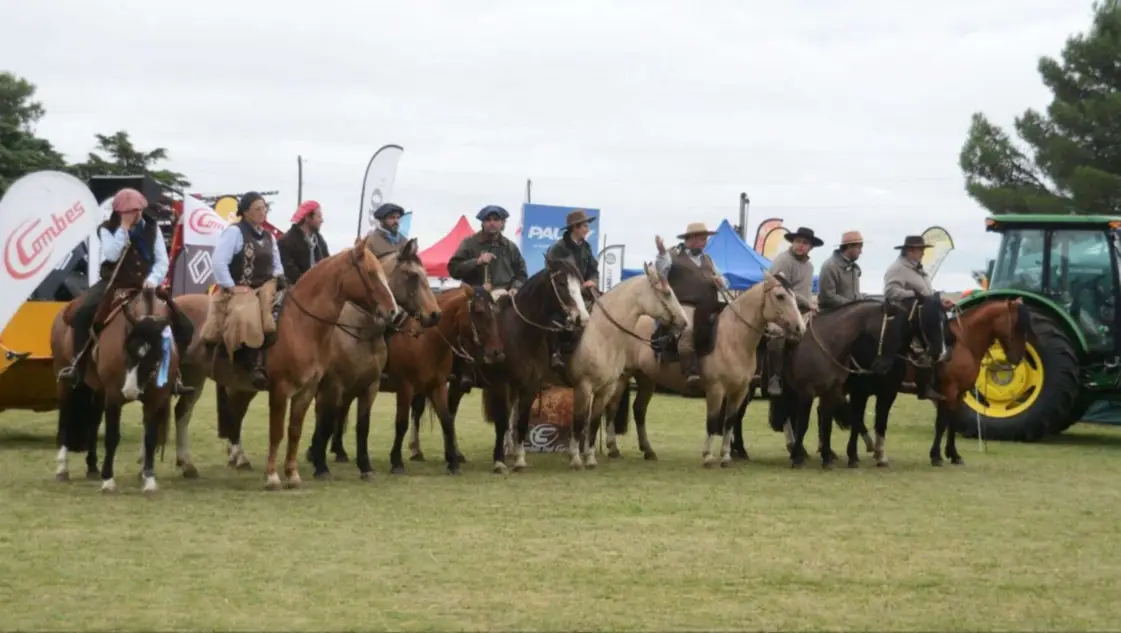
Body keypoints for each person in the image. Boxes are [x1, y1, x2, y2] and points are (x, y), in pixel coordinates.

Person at [57, 188, 195, 395]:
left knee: (184, 324)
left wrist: (152, 280)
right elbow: (112, 255)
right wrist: (123, 229)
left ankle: (175, 375)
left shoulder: (151, 227)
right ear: (119, 212)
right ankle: (77, 365)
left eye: (137, 210)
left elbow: (161, 260)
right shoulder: (107, 228)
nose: (135, 214)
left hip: (146, 285)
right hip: (114, 282)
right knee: (83, 312)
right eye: (129, 211)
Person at [201, 192, 286, 390]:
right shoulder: (234, 233)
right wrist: (231, 286)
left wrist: (275, 279)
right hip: (241, 288)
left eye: (264, 209)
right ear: (245, 211)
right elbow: (219, 262)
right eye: (257, 209)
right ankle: (249, 363)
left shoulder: (269, 237)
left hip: (266, 287)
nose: (262, 213)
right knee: (243, 315)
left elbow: (278, 265)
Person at [446, 205, 528, 388]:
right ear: (483, 223)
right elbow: (453, 269)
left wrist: (515, 287)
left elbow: (522, 274)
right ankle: (466, 368)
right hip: (474, 294)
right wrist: (477, 262)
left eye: (496, 220)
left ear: (502, 223)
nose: (492, 223)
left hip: (504, 294)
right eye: (488, 220)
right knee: (470, 320)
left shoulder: (510, 247)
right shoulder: (470, 243)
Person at [653, 222, 728, 387]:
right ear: (691, 239)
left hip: (710, 304)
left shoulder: (707, 259)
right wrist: (660, 252)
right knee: (687, 329)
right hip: (684, 304)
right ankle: (690, 371)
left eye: (705, 238)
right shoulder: (672, 255)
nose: (705, 242)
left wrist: (720, 281)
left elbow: (725, 282)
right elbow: (660, 269)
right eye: (702, 238)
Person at [883, 234, 956, 401]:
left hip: (923, 315)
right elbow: (890, 292)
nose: (922, 253)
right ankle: (923, 385)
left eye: (923, 249)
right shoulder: (897, 269)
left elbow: (927, 294)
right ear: (909, 251)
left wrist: (938, 300)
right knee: (923, 348)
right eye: (920, 250)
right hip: (907, 317)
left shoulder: (918, 269)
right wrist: (915, 296)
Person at [766, 226, 822, 397]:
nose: (801, 245)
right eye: (798, 241)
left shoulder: (810, 266)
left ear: (811, 247)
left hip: (804, 311)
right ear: (792, 242)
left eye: (805, 243)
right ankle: (774, 377)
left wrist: (811, 305)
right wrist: (808, 303)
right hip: (781, 310)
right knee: (778, 334)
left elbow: (804, 290)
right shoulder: (783, 261)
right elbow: (781, 289)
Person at [543, 210, 599, 370]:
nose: (587, 229)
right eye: (585, 226)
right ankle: (555, 354)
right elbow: (550, 273)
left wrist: (592, 281)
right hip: (563, 294)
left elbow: (594, 269)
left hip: (584, 293)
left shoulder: (586, 247)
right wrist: (569, 287)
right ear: (575, 227)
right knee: (556, 317)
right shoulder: (558, 248)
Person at [278, 200, 330, 286]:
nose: (322, 220)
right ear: (307, 218)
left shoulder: (320, 241)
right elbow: (290, 272)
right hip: (296, 291)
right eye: (319, 216)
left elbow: (328, 264)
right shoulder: (286, 242)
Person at [817, 230, 866, 313]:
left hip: (851, 315)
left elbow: (855, 294)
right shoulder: (830, 266)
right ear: (850, 247)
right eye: (859, 247)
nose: (861, 252)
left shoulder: (854, 268)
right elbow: (828, 296)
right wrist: (853, 305)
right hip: (833, 317)